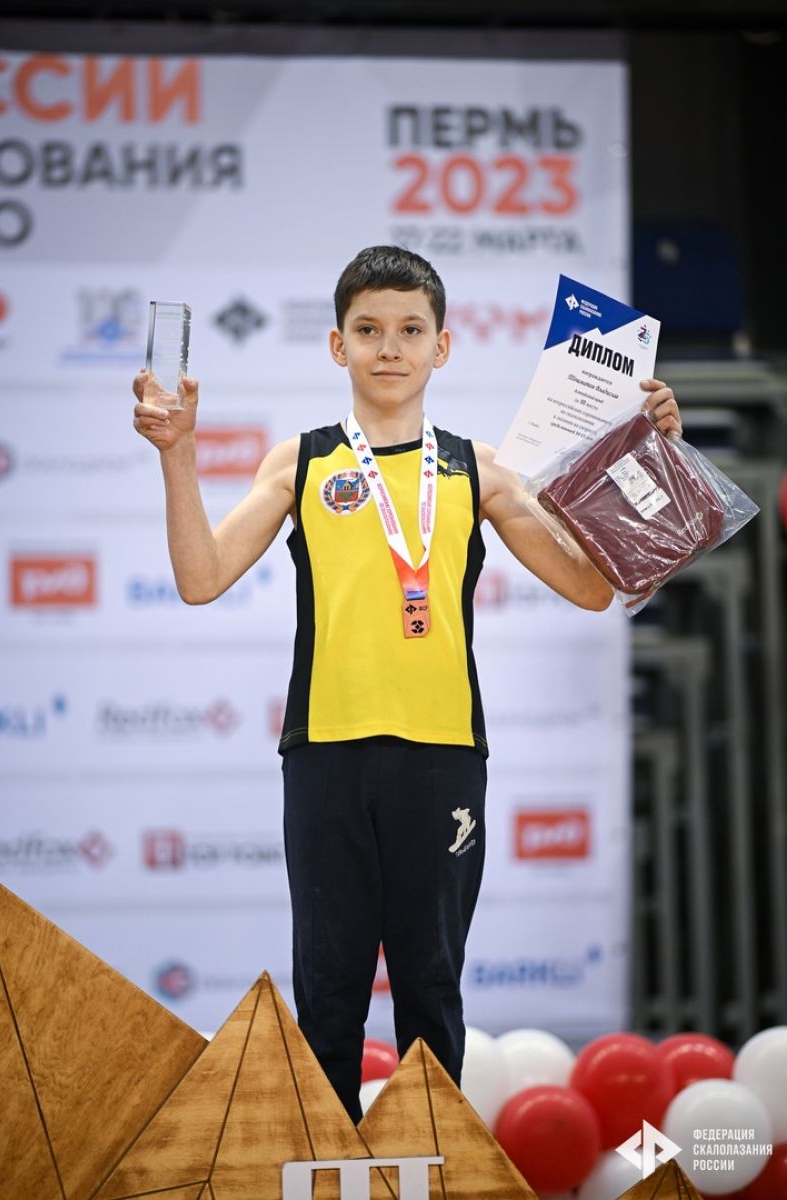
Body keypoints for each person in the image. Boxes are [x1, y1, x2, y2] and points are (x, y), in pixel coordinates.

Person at [132, 245, 682, 1122]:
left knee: (431, 989)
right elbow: (201, 579)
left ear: (442, 347)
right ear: (337, 345)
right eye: (368, 330)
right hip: (325, 756)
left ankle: (436, 1169)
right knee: (329, 992)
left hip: (442, 758)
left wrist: (650, 459)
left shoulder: (478, 468)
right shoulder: (300, 462)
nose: (389, 348)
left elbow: (591, 588)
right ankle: (327, 1174)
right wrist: (179, 452)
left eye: (411, 330)